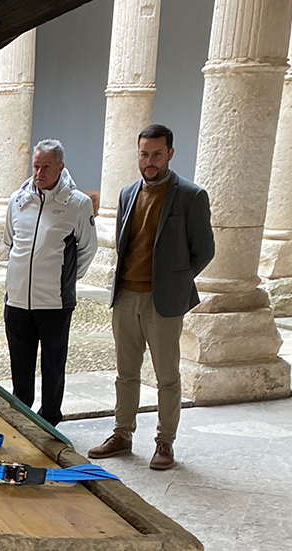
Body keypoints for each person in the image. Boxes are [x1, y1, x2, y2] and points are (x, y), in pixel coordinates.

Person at [88, 123, 214, 470]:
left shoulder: (190, 196)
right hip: (126, 295)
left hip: (164, 302)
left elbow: (204, 250)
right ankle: (122, 433)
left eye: (157, 154)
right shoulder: (129, 193)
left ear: (170, 153)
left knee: (167, 376)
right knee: (125, 373)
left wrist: (175, 280)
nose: (150, 161)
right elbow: (123, 242)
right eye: (144, 154)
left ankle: (164, 442)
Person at [2, 139, 98, 426]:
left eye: (46, 166)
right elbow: (10, 241)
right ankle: (21, 413)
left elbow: (87, 249)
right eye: (35, 166)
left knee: (53, 365)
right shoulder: (17, 201)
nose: (39, 172)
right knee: (20, 363)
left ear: (60, 167)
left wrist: (65, 279)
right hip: (17, 300)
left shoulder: (77, 204)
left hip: (54, 302)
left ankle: (51, 418)